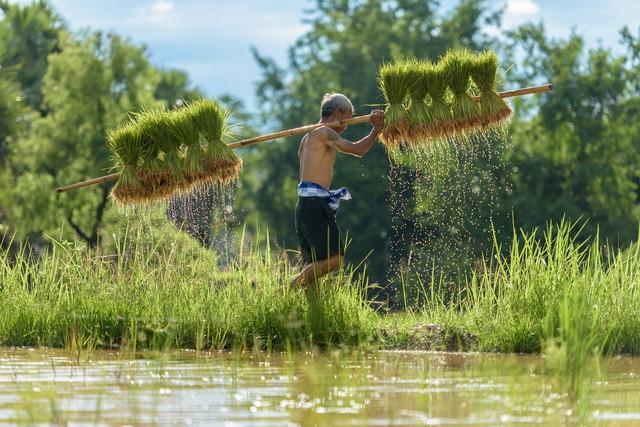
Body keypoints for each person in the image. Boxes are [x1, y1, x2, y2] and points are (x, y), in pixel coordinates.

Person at [290, 93, 384, 288]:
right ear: (337, 113)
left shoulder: (307, 138)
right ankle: (288, 288)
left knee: (313, 264)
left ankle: (313, 315)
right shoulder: (325, 132)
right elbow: (357, 150)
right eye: (346, 119)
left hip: (304, 205)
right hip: (315, 204)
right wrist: (376, 128)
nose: (347, 125)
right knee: (335, 259)